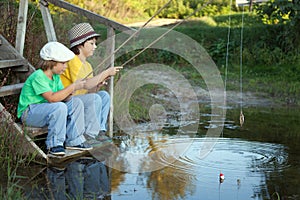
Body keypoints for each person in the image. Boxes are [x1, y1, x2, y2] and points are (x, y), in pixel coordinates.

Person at [17, 41, 92, 156]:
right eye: (63, 63)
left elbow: (62, 96)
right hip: (29, 113)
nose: (66, 67)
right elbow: (52, 98)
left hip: (47, 109)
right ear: (52, 62)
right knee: (59, 107)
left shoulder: (56, 77)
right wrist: (72, 86)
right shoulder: (38, 76)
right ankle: (54, 145)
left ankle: (74, 141)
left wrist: (73, 90)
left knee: (76, 102)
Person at [60, 23, 122, 143]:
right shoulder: (72, 61)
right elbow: (85, 84)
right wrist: (106, 72)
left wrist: (97, 85)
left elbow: (90, 91)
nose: (95, 47)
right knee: (95, 98)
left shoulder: (88, 65)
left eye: (95, 44)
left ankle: (100, 131)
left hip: (82, 100)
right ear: (80, 45)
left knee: (104, 96)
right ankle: (89, 135)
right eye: (91, 43)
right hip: (68, 101)